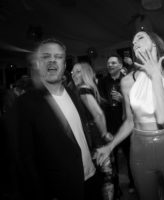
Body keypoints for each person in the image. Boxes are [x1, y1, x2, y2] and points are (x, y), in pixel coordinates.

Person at [96, 31, 164, 200]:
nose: (135, 43)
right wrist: (110, 146)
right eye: (133, 42)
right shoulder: (127, 81)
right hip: (139, 148)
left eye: (140, 38)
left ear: (155, 44)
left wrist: (155, 75)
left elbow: (163, 118)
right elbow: (129, 121)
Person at [3, 38, 101, 200]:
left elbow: (79, 134)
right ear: (37, 64)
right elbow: (22, 160)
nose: (52, 60)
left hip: (90, 179)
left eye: (58, 56)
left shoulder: (73, 94)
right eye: (46, 56)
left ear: (64, 64)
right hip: (59, 190)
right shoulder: (24, 104)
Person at [71, 62, 115, 200]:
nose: (73, 74)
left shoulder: (83, 90)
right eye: (72, 72)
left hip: (96, 140)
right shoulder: (87, 88)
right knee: (106, 176)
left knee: (104, 176)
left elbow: (98, 114)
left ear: (85, 73)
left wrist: (104, 133)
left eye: (78, 71)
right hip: (94, 140)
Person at [98, 54, 135, 195]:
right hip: (110, 125)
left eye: (113, 63)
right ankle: (116, 187)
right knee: (112, 162)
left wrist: (122, 100)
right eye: (108, 63)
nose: (110, 65)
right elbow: (100, 101)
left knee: (129, 155)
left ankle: (133, 182)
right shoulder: (102, 82)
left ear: (120, 65)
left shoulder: (126, 80)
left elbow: (135, 104)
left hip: (125, 124)